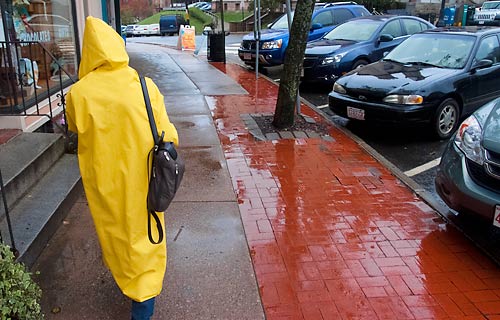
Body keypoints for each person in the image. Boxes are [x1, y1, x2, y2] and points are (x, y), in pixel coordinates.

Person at [65, 16, 178, 319]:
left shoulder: (78, 93)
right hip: (142, 179)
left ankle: (128, 284)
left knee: (115, 235)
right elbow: (169, 135)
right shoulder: (145, 86)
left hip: (104, 182)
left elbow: (75, 127)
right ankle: (142, 306)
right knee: (145, 239)